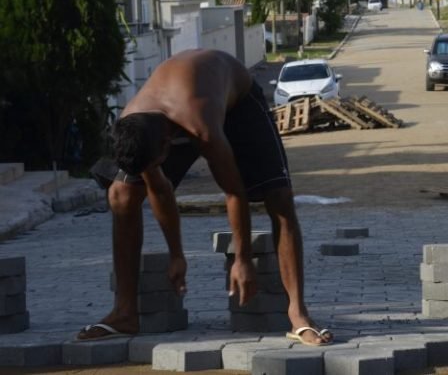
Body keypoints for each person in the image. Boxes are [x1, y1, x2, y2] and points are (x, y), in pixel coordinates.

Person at [79, 49, 332, 345]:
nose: (156, 169)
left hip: (237, 99)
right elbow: (159, 189)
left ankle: (298, 314)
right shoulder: (135, 124)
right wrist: (176, 255)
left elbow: (234, 191)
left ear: (167, 144)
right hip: (179, 101)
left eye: (156, 163)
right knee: (121, 194)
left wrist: (243, 259)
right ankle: (124, 313)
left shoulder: (202, 126)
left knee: (280, 198)